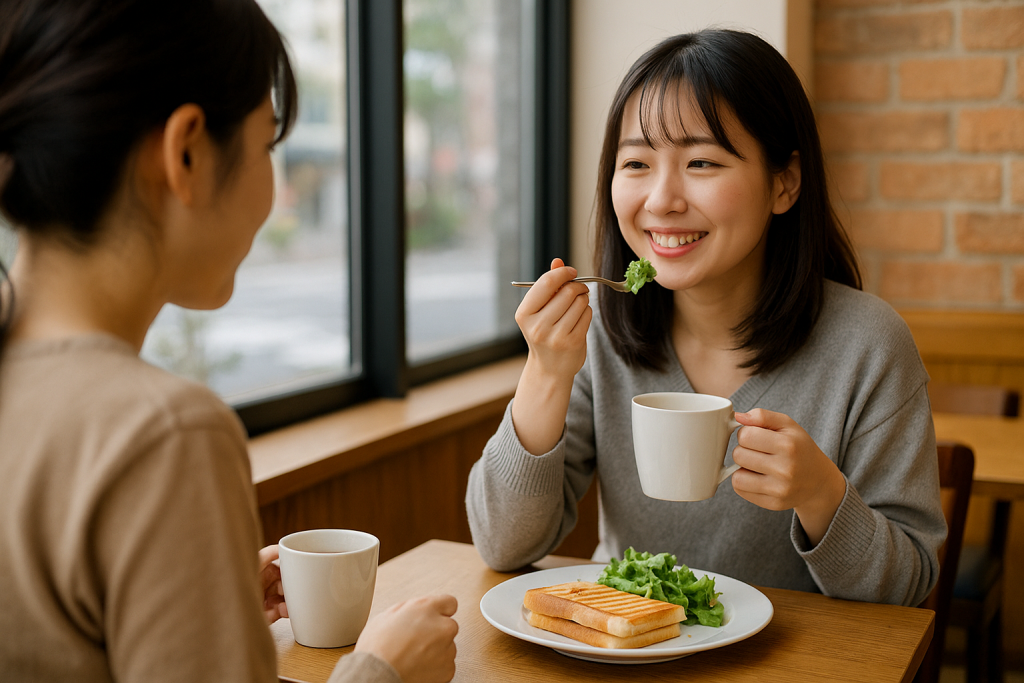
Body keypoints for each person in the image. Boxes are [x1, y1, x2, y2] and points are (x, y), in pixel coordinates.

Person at [0, 1, 457, 681]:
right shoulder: (164, 433)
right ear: (185, 151)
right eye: (267, 143)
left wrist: (200, 600)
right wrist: (382, 668)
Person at [466, 29, 946, 607]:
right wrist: (544, 374)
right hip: (628, 651)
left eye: (701, 161)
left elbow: (908, 589)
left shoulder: (868, 345)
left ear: (784, 182)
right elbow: (501, 545)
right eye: (637, 162)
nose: (662, 200)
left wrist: (821, 495)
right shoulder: (600, 333)